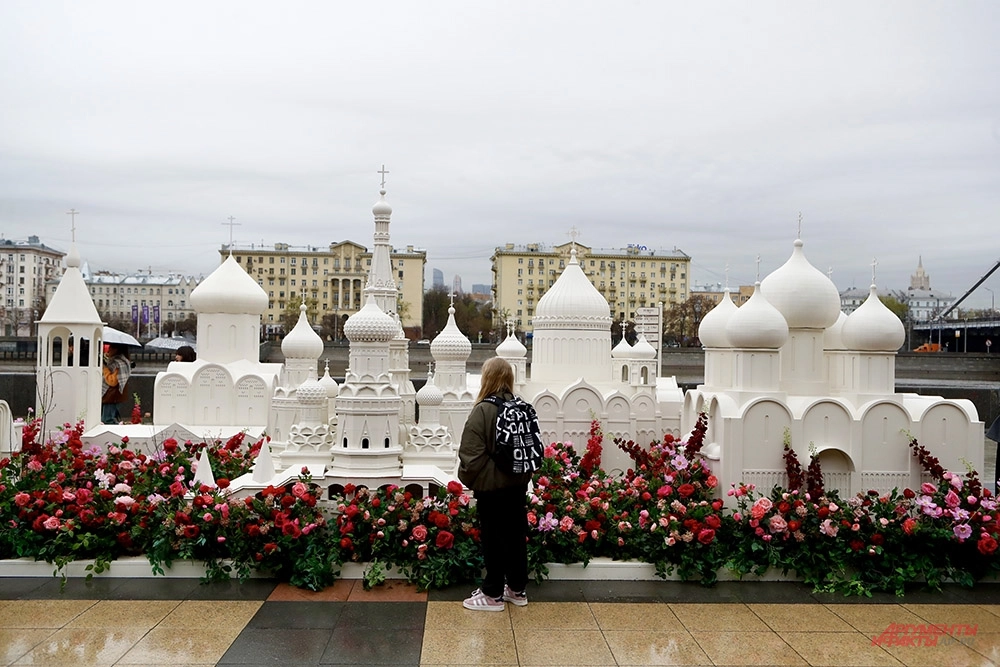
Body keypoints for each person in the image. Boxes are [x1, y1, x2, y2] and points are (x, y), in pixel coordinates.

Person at [458, 357, 533, 611]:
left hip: (492, 490)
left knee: (494, 539)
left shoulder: (484, 410)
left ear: (486, 378)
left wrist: (472, 480)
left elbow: (470, 455)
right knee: (515, 536)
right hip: (518, 486)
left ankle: (492, 595)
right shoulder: (521, 406)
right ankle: (516, 590)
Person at [101, 344, 131, 424]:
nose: (108, 350)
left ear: (117, 349)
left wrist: (105, 369)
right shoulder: (119, 361)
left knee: (107, 419)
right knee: (109, 418)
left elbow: (112, 381)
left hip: (112, 396)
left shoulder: (118, 363)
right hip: (113, 396)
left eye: (111, 348)